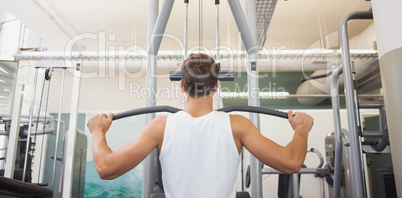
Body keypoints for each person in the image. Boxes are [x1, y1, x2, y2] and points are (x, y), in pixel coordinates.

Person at [88, 53, 314, 198]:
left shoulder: (160, 127)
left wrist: (98, 131)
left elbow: (106, 168)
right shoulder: (238, 126)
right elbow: (292, 163)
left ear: (182, 87)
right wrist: (301, 129)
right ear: (216, 86)